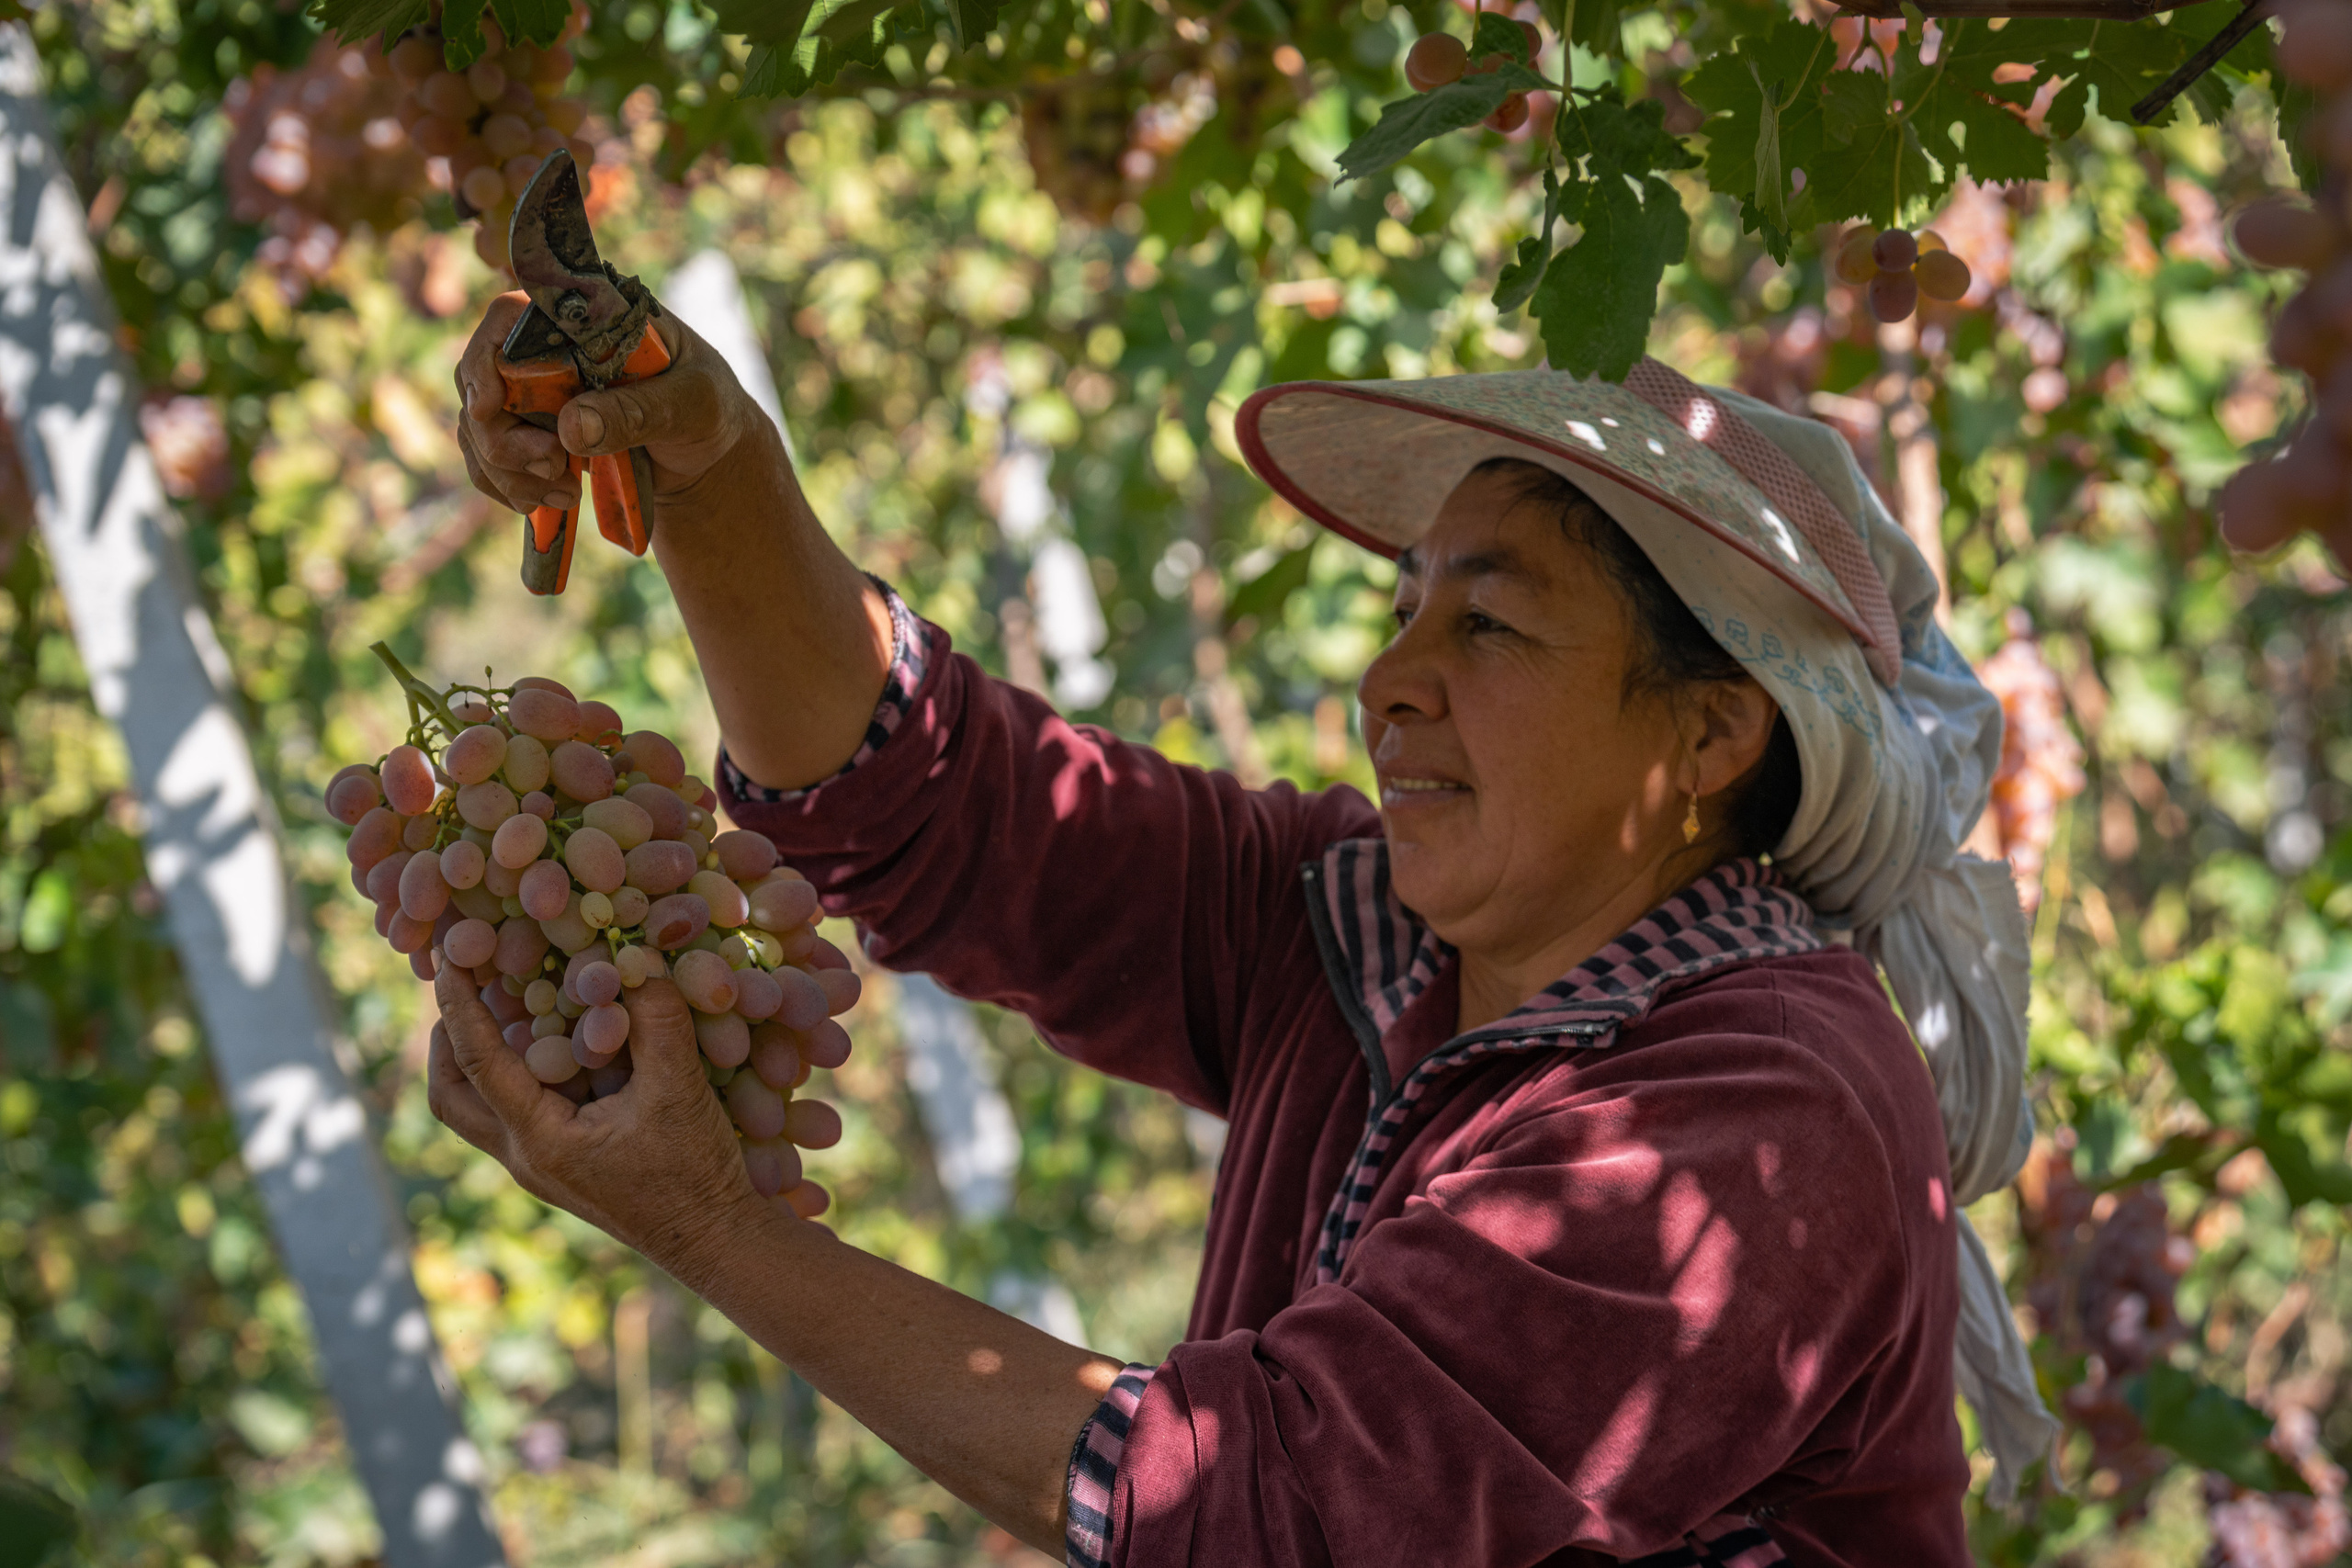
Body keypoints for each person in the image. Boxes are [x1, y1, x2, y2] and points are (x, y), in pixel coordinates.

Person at [437, 298, 2056, 1566]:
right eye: (1404, 603)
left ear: (1712, 741)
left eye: (1485, 619)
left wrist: (725, 1235)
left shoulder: (1767, 1117)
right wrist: (711, 459)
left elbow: (1272, 1513)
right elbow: (940, 800)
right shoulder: (1357, 933)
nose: (1391, 676)